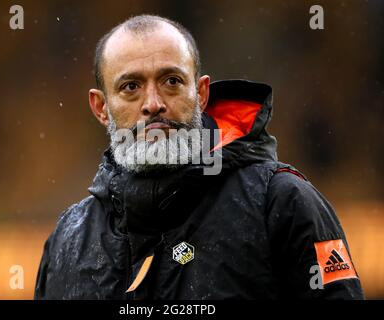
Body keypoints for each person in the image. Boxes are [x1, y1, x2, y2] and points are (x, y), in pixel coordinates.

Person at [34, 14, 364, 299]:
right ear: (101, 107)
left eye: (172, 81)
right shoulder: (67, 239)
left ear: (201, 94)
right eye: (131, 87)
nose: (153, 103)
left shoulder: (281, 203)